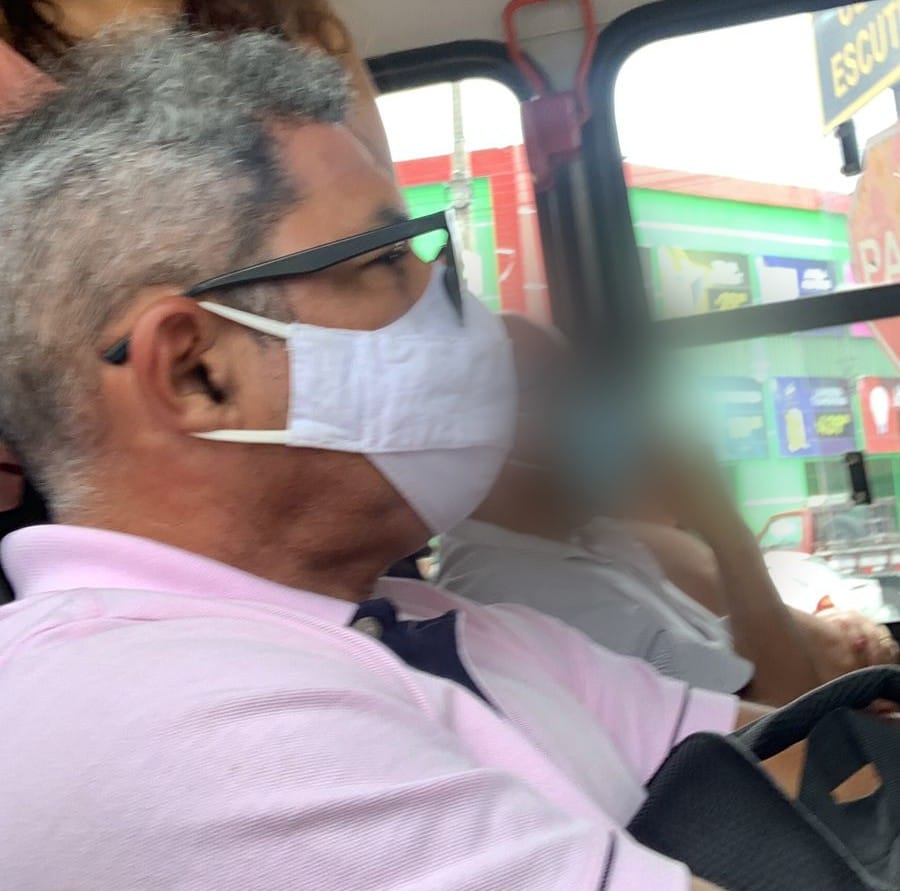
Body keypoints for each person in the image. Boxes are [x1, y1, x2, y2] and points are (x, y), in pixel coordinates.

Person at [0, 26, 797, 890]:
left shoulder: (441, 623)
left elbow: (821, 769)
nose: (468, 317)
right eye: (384, 260)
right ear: (199, 373)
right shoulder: (158, 712)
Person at [438, 315, 898, 706]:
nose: (590, 408)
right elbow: (783, 718)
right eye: (555, 389)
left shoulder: (589, 540)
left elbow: (734, 651)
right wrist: (722, 525)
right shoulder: (523, 598)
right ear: (482, 439)